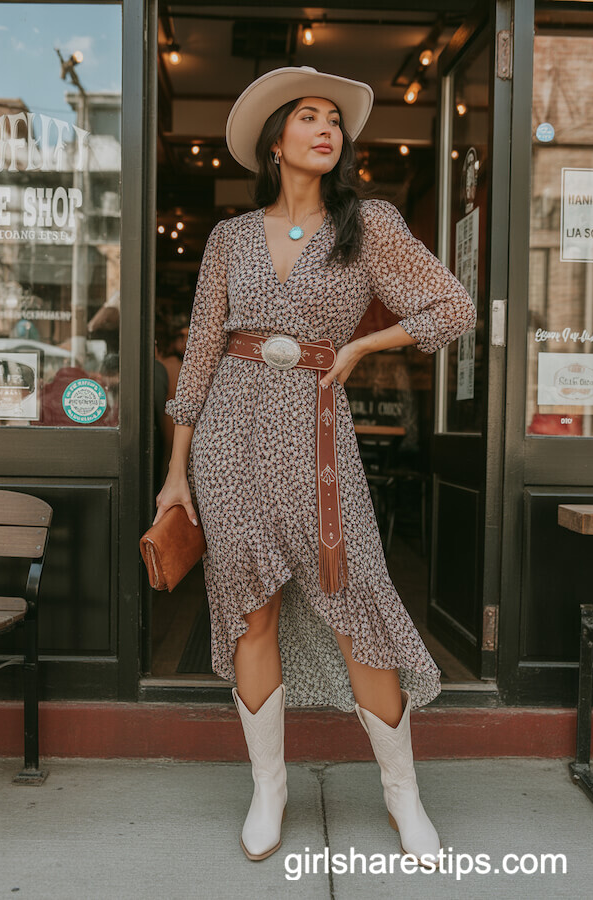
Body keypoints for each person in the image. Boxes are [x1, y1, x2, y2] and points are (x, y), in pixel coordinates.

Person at [154, 66, 477, 867]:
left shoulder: (369, 225)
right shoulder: (230, 238)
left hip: (316, 433)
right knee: (250, 611)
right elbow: (200, 354)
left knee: (356, 601)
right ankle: (270, 789)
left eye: (335, 119)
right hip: (229, 436)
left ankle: (403, 796)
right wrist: (176, 472)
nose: (327, 128)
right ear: (275, 142)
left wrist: (365, 344)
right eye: (308, 115)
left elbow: (453, 307)